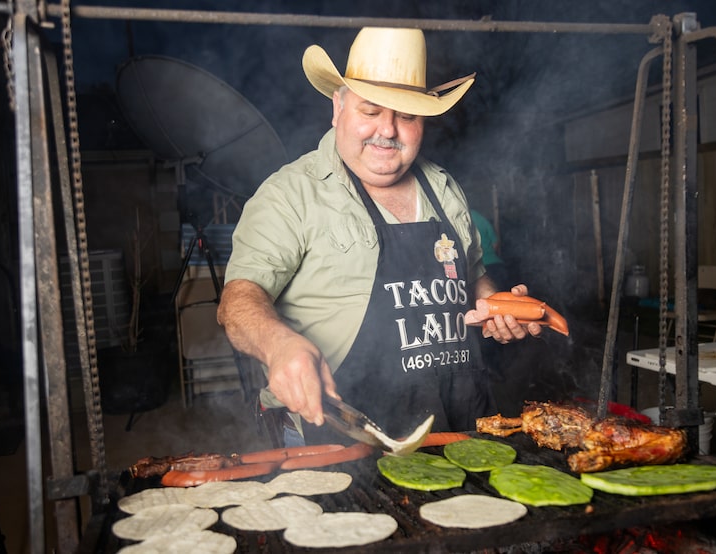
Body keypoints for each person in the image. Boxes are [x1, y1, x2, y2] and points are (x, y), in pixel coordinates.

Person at [217, 27, 541, 446]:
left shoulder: (444, 189)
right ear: (338, 107)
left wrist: (497, 307)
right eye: (370, 110)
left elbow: (472, 275)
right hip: (337, 435)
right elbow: (238, 301)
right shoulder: (290, 194)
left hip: (457, 425)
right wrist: (278, 345)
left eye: (406, 115)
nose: (387, 130)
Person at [470, 208, 508, 289]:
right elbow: (495, 242)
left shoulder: (458, 219)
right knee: (505, 299)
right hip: (497, 265)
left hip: (480, 272)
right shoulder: (479, 217)